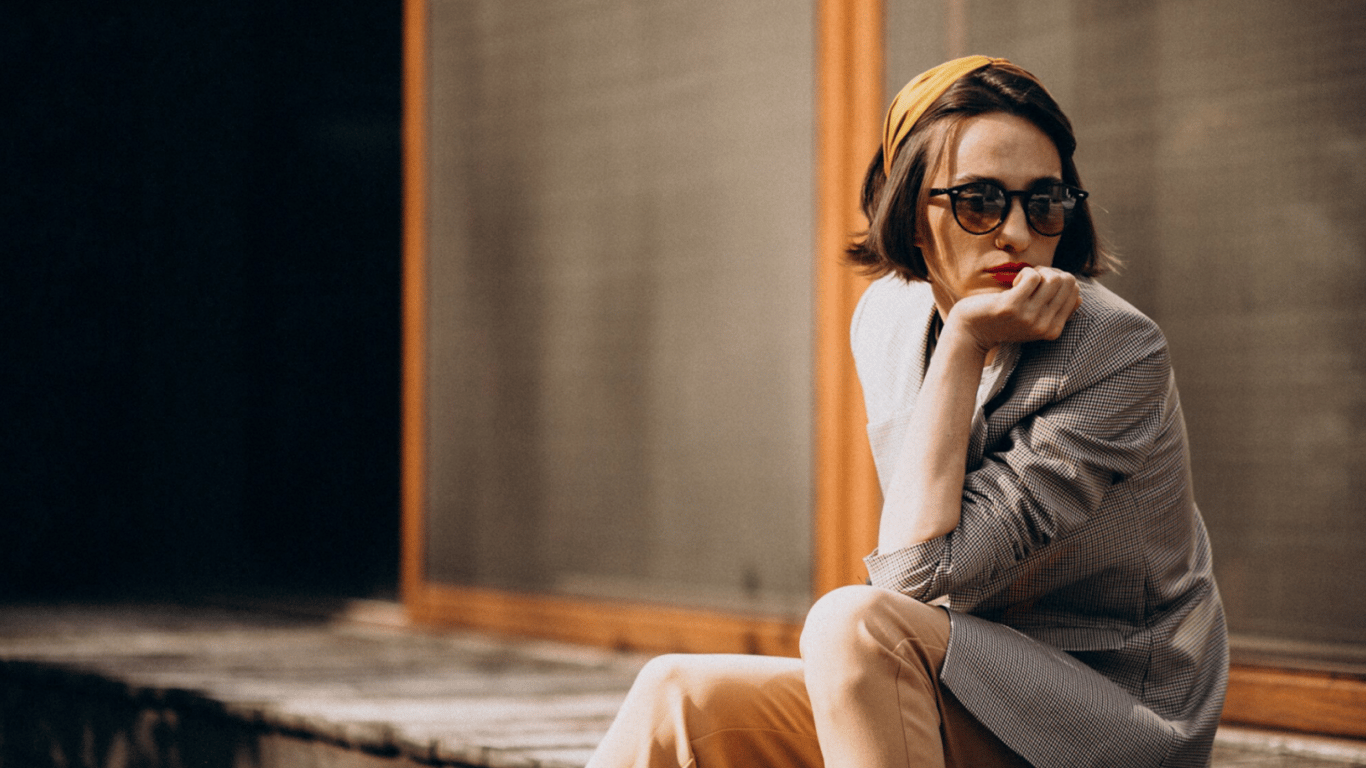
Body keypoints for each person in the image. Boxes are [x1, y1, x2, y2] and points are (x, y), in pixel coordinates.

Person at [585, 56, 1227, 768]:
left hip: (1113, 716)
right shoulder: (888, 319)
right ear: (911, 212)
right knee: (678, 693)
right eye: (980, 201)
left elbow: (915, 578)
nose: (1016, 233)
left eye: (1044, 202)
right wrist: (960, 345)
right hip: (967, 684)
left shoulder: (1114, 348)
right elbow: (919, 581)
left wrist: (966, 339)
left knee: (851, 623)